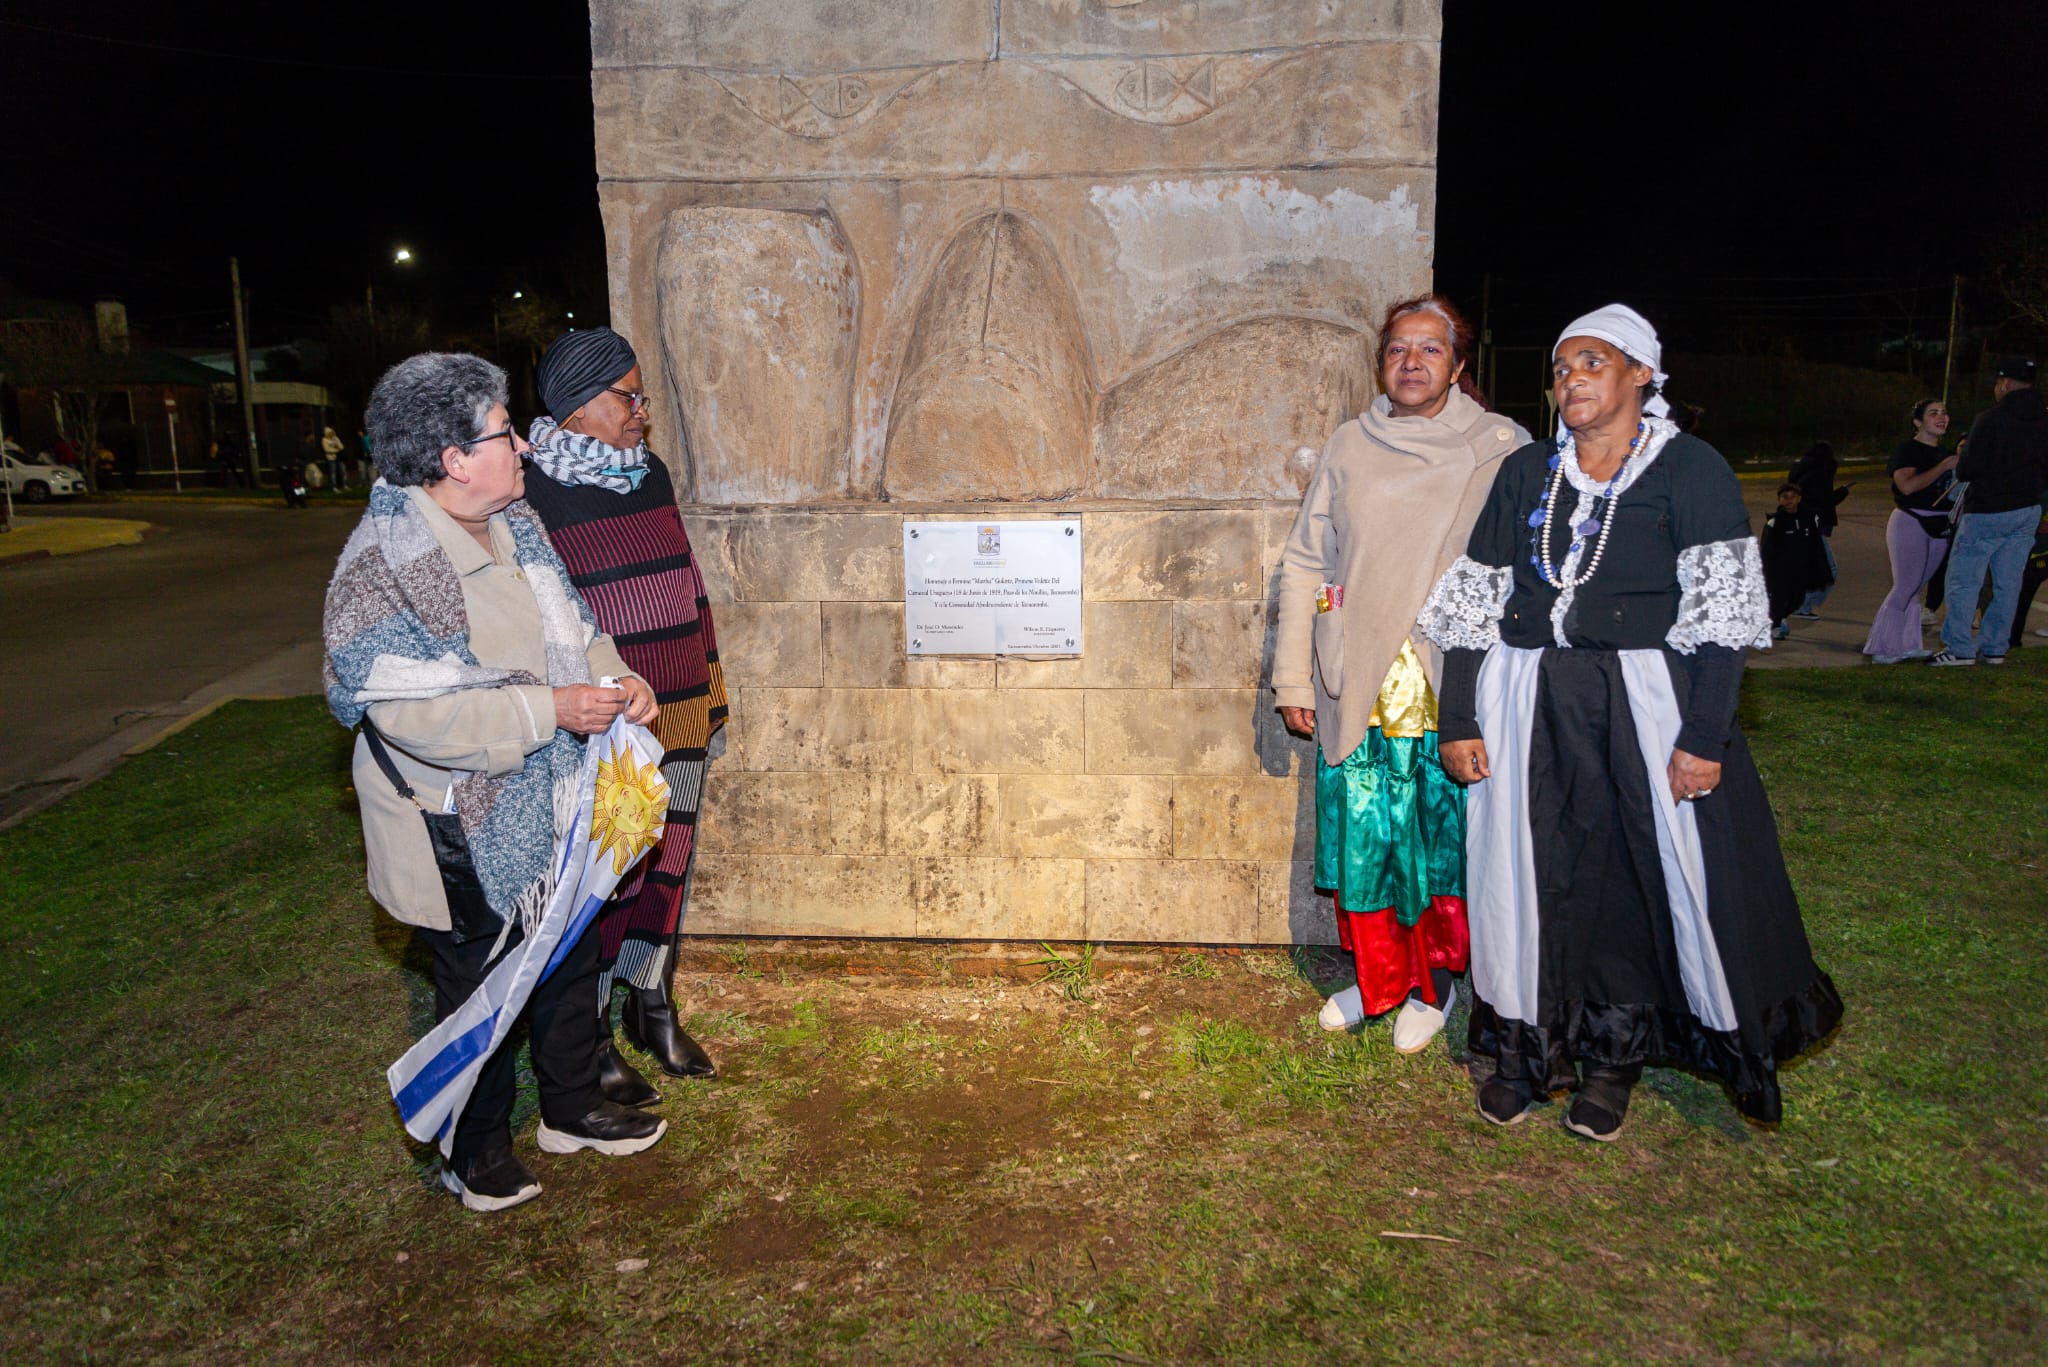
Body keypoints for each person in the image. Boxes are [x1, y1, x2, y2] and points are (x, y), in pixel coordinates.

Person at [1419, 304, 1841, 1140]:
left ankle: (1610, 1061)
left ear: (1641, 374)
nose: (1570, 378)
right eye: (1562, 366)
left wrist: (1704, 736)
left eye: (1592, 362)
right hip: (1526, 697)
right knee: (1524, 872)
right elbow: (1475, 603)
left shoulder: (1692, 469)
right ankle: (1525, 1050)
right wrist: (1458, 716)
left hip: (1642, 703)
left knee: (1622, 879)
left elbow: (1723, 618)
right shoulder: (1526, 471)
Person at [323, 352, 669, 1212]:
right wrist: (551, 710)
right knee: (482, 977)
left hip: (556, 794)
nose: (520, 445)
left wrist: (620, 679)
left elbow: (576, 624)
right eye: (503, 431)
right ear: (451, 458)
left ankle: (572, 1104)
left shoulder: (515, 520)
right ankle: (474, 1151)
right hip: (459, 819)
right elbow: (413, 714)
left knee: (565, 949)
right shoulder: (380, 565)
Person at [1275, 295, 1529, 1051]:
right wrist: (1294, 675)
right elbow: (1305, 560)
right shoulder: (1351, 443)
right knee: (1363, 835)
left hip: (1444, 677)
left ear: (1458, 364)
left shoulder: (1499, 445)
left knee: (1431, 838)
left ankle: (1436, 984)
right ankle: (1379, 978)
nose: (1411, 363)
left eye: (1429, 349)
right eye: (1396, 350)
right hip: (1355, 675)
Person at [520, 327, 729, 1094]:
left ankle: (652, 999)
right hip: (611, 719)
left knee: (670, 859)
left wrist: (710, 679)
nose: (642, 410)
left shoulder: (652, 474)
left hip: (681, 701)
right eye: (627, 396)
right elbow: (547, 616)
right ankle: (593, 1029)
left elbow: (686, 578)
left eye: (640, 394)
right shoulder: (533, 490)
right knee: (612, 874)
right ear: (577, 409)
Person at [1932, 357, 2048, 666]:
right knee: (2008, 583)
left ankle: (1958, 647)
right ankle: (1995, 647)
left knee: (1964, 580)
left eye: (1998, 383)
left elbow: (1968, 469)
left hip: (1987, 510)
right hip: (2027, 510)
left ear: (2006, 384)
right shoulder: (2043, 420)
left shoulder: (1991, 419)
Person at [1862, 399, 1958, 663]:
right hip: (1911, 521)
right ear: (1918, 421)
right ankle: (1882, 647)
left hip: (1940, 526)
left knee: (1916, 587)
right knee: (1904, 585)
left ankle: (1908, 643)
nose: (1942, 417)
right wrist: (1943, 468)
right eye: (1933, 413)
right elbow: (1907, 487)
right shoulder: (1908, 450)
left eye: (1944, 413)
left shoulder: (1947, 453)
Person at [1785, 441, 1848, 618]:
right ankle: (1802, 605)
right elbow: (1824, 501)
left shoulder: (1800, 472)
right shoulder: (1818, 475)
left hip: (1799, 525)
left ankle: (1798, 603)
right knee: (1828, 569)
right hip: (1813, 526)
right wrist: (1842, 493)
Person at [1760, 483, 1830, 638]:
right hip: (1781, 570)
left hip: (1801, 568)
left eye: (1793, 497)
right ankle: (1775, 627)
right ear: (1779, 500)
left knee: (1797, 599)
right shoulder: (1775, 522)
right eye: (1785, 497)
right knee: (1779, 597)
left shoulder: (1810, 518)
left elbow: (1815, 542)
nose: (1789, 501)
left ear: (1799, 499)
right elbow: (1767, 550)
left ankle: (1778, 617)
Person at [321, 425, 347, 490]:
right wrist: (336, 450)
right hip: (331, 459)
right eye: (330, 433)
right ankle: (333, 487)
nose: (331, 434)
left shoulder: (335, 438)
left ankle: (343, 485)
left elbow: (341, 447)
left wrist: (336, 441)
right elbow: (327, 449)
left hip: (338, 458)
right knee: (333, 474)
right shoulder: (324, 440)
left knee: (342, 472)